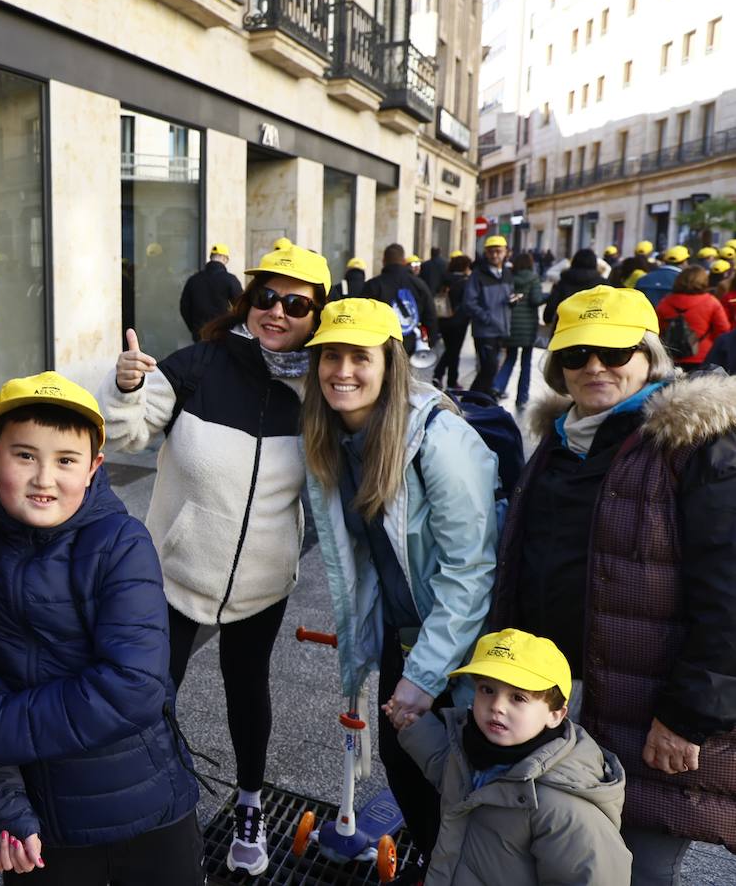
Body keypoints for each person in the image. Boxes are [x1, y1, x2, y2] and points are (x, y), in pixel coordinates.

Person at [489, 284, 736, 885]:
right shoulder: (563, 440)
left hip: (654, 711)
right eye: (576, 355)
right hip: (576, 706)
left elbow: (728, 595)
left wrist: (688, 716)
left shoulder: (696, 444)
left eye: (614, 351)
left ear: (650, 357)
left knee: (638, 869)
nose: (595, 366)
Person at [99, 242, 329, 877]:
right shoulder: (200, 362)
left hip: (262, 582)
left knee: (246, 689)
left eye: (295, 302)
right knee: (151, 697)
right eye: (264, 297)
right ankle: (152, 807)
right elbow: (129, 432)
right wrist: (126, 386)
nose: (275, 312)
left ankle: (250, 804)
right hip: (174, 573)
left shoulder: (319, 389)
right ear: (245, 302)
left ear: (318, 315)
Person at [0, 372, 202, 885]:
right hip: (43, 831)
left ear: (95, 467)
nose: (44, 478)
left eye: (66, 460)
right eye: (24, 455)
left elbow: (131, 688)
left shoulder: (120, 544)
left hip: (149, 812)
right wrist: (4, 805)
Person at [302, 298, 499, 876]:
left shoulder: (437, 440)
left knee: (463, 782)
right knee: (402, 760)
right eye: (330, 356)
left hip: (461, 643)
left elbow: (471, 572)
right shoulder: (333, 435)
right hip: (404, 630)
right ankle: (439, 865)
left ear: (390, 363)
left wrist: (424, 677)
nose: (343, 371)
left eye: (359, 357)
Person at [398, 629, 631, 885]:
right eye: (487, 689)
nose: (497, 705)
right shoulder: (472, 749)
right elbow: (451, 774)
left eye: (518, 697)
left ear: (556, 714)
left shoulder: (564, 807)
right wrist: (416, 727)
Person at [362, 243, 440, 356]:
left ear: (383, 261)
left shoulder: (373, 285)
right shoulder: (418, 284)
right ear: (404, 261)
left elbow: (362, 315)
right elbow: (430, 314)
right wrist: (431, 339)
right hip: (410, 342)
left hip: (381, 343)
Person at [493, 252, 545, 408]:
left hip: (512, 324)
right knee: (526, 362)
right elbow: (536, 300)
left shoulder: (509, 278)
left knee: (510, 357)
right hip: (528, 326)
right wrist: (546, 296)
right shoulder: (534, 278)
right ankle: (522, 398)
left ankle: (498, 385)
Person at [462, 235, 513, 393]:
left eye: (498, 251)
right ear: (486, 253)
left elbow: (507, 296)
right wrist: (487, 318)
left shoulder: (507, 273)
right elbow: (469, 302)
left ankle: (481, 402)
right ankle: (471, 401)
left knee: (491, 370)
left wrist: (513, 301)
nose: (495, 255)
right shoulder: (477, 275)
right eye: (491, 252)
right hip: (485, 331)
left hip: (501, 329)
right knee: (488, 369)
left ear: (506, 253)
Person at [656, 265, 731, 371]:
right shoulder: (711, 302)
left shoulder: (665, 302)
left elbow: (657, 329)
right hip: (703, 355)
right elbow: (723, 330)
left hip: (672, 355)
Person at [179, 243, 242, 342]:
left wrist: (194, 329)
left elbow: (184, 307)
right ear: (224, 258)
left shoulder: (193, 279)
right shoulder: (230, 279)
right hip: (222, 333)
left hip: (199, 334)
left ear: (211, 257)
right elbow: (241, 306)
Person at [432, 254, 473, 390]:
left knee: (450, 349)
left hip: (443, 319)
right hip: (459, 322)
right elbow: (466, 302)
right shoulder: (466, 282)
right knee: (453, 351)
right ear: (464, 267)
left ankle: (448, 378)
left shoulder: (444, 279)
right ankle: (443, 376)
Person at [542, 247, 607, 326]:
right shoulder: (603, 284)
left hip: (565, 328)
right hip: (592, 328)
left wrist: (547, 319)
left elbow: (551, 305)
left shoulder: (564, 281)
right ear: (594, 263)